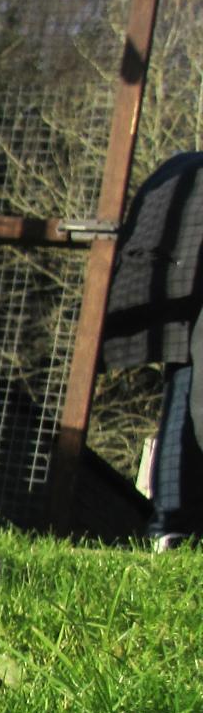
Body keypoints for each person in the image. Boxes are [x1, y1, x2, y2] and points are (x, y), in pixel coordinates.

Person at [101, 152, 203, 548]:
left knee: (183, 398)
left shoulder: (177, 173)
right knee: (186, 400)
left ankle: (169, 524)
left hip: (180, 316)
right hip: (187, 320)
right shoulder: (184, 174)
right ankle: (171, 524)